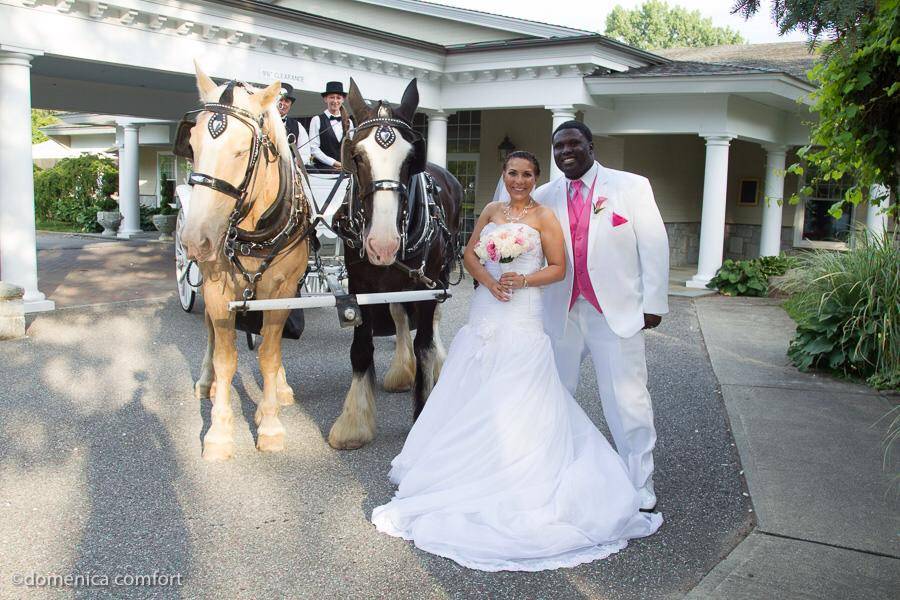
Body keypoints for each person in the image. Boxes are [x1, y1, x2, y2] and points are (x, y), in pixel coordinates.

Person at [371, 151, 662, 572]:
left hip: (523, 313)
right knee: (472, 383)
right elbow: (469, 254)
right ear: (503, 175)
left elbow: (559, 268)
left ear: (536, 178)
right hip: (487, 311)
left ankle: (520, 467)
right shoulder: (491, 209)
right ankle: (466, 465)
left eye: (527, 174)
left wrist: (522, 278)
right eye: (512, 173)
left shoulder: (544, 217)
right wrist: (488, 278)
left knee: (521, 388)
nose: (519, 180)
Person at [533, 121, 670, 512]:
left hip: (616, 310)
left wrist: (654, 303)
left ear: (591, 146)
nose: (565, 152)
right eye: (558, 147)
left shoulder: (631, 186)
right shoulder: (544, 195)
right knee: (555, 394)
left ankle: (639, 482)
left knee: (627, 398)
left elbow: (654, 243)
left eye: (574, 144)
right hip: (562, 310)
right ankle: (556, 471)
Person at [308, 81, 348, 171]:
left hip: (345, 172)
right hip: (324, 171)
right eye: (331, 97)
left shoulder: (349, 122)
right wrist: (334, 163)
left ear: (343, 100)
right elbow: (313, 149)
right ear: (325, 99)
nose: (335, 101)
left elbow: (351, 148)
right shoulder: (316, 120)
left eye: (338, 98)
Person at [276, 83, 310, 166]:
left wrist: (294, 163)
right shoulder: (261, 121)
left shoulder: (298, 126)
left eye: (287, 101)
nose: (283, 104)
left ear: (290, 105)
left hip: (288, 171)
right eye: (280, 100)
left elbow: (305, 153)